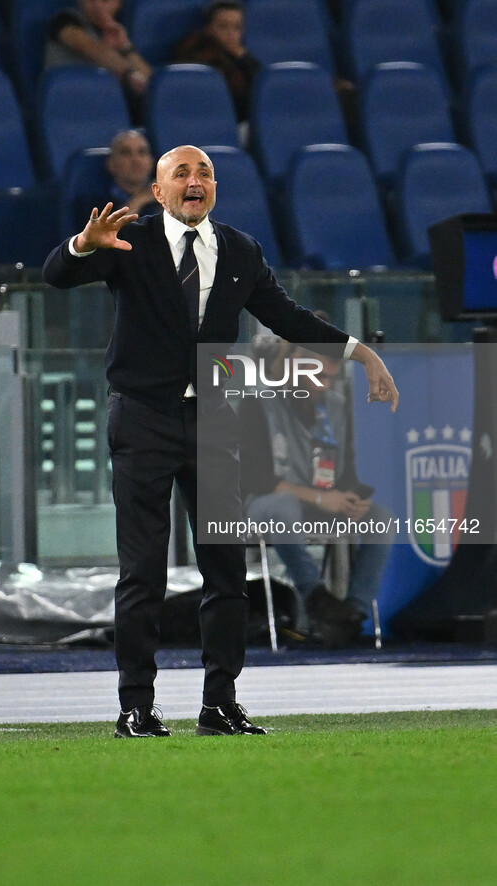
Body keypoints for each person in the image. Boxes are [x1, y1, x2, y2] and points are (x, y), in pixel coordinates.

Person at [43, 144, 399, 738]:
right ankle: (135, 706)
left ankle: (220, 703)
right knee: (142, 573)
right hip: (143, 420)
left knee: (226, 572)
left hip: (212, 423)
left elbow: (287, 317)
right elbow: (58, 275)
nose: (194, 180)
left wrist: (359, 353)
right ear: (158, 192)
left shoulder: (239, 249)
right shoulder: (130, 240)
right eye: (180, 173)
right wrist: (82, 245)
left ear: (214, 188)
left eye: (204, 172)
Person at [240, 335, 394, 647]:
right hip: (265, 506)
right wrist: (322, 498)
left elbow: (346, 474)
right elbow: (254, 478)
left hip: (320, 504)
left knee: (382, 517)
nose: (323, 385)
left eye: (329, 378)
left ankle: (351, 615)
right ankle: (316, 597)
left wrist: (352, 499)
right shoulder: (257, 403)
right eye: (317, 376)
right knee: (283, 506)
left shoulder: (336, 408)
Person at [44, 0, 152, 123]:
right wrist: (129, 73)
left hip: (109, 113)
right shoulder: (65, 21)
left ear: (118, 3)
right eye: (90, 0)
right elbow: (89, 48)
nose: (97, 5)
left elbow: (150, 84)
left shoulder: (117, 32)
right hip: (68, 110)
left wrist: (125, 47)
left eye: (104, 1)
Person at [173, 0, 260, 124]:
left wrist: (243, 57)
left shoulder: (242, 56)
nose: (231, 34)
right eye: (223, 26)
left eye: (237, 27)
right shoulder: (194, 52)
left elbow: (262, 88)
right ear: (208, 28)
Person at [104, 130, 158, 217]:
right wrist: (140, 199)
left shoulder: (163, 201)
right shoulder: (93, 202)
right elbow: (111, 230)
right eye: (126, 153)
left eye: (142, 152)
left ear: (151, 162)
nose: (136, 160)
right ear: (111, 164)